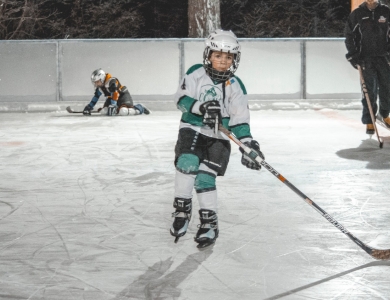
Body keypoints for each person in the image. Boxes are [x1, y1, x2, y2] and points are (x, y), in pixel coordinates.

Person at [170, 29, 264, 248]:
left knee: (205, 178)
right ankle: (182, 210)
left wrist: (248, 144)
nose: (223, 61)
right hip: (192, 129)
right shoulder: (195, 73)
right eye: (218, 55)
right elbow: (181, 99)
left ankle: (209, 223)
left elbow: (240, 121)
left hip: (218, 137)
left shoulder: (235, 86)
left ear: (235, 59)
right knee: (187, 163)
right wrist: (200, 107)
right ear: (209, 55)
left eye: (228, 56)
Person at [345, 0, 390, 134]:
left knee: (386, 87)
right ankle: (369, 119)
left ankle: (385, 114)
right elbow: (349, 35)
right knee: (368, 90)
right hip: (365, 58)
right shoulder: (357, 14)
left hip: (384, 58)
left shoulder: (386, 12)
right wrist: (353, 55)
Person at [83, 69, 150, 116]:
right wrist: (89, 107)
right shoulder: (101, 87)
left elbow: (115, 93)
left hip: (122, 96)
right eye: (95, 82)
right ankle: (117, 108)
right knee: (105, 111)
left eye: (97, 82)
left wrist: (113, 105)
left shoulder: (111, 82)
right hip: (112, 98)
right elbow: (96, 97)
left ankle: (140, 108)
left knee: (123, 111)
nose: (96, 84)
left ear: (102, 78)